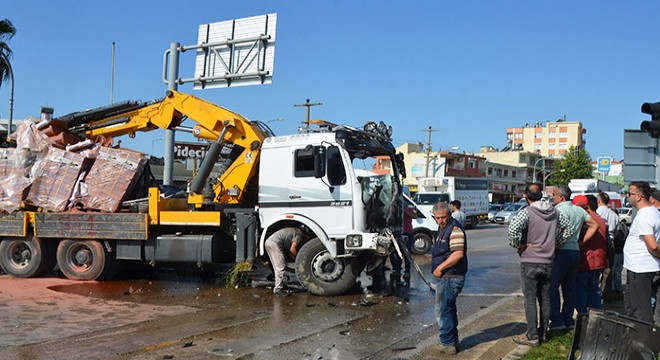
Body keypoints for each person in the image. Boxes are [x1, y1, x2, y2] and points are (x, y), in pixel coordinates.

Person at [508, 183, 572, 347]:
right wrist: (556, 242)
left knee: (530, 299)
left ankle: (532, 335)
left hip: (530, 260)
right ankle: (543, 333)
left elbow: (513, 229)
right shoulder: (555, 211)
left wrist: (519, 245)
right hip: (548, 260)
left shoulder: (527, 212)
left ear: (527, 197)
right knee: (545, 298)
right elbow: (569, 228)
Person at [549, 186, 599, 331]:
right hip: (575, 252)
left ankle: (557, 321)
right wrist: (581, 241)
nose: (553, 197)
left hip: (561, 251)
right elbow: (594, 225)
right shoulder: (579, 210)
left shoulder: (558, 210)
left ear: (561, 198)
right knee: (569, 288)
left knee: (552, 288)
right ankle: (568, 319)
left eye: (554, 195)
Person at [431, 201, 467, 355]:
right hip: (447, 276)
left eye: (443, 217)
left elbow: (458, 253)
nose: (441, 221)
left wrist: (440, 268)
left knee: (443, 310)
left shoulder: (455, 229)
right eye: (437, 218)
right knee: (449, 309)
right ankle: (452, 341)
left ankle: (447, 343)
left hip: (451, 276)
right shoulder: (444, 229)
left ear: (450, 214)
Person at [623, 181, 660, 323]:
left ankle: (643, 342)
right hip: (642, 266)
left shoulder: (644, 216)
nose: (628, 196)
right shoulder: (654, 212)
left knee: (640, 309)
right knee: (633, 305)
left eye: (630, 194)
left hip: (641, 267)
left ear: (638, 197)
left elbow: (652, 246)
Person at [575, 195, 608, 314]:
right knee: (594, 289)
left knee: (581, 290)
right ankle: (596, 316)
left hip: (585, 261)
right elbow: (607, 242)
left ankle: (583, 317)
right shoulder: (602, 221)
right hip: (599, 261)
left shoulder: (585, 220)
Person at [265, 227, 305, 296]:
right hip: (275, 243)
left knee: (276, 266)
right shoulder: (300, 234)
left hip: (269, 242)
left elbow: (290, 252)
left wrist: (295, 261)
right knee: (280, 267)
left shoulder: (294, 231)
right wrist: (299, 260)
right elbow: (293, 249)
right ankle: (278, 289)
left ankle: (280, 285)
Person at [596, 191, 621, 297]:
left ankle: (595, 293)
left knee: (596, 269)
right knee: (608, 270)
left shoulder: (597, 212)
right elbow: (617, 231)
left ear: (599, 200)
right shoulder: (614, 214)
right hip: (611, 242)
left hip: (599, 242)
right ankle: (606, 294)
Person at [390, 201, 419, 286]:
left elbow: (415, 216)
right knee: (397, 253)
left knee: (407, 253)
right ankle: (398, 270)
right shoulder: (395, 209)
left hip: (408, 232)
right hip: (398, 232)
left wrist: (405, 211)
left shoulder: (407, 208)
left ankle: (407, 271)